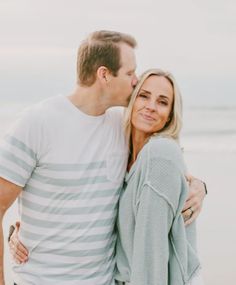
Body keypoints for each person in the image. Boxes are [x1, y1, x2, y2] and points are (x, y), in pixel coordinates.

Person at [0, 31, 206, 285]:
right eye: (130, 73)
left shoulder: (121, 127)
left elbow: (163, 171)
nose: (136, 81)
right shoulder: (37, 123)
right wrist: (13, 233)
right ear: (104, 74)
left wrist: (200, 187)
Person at [115, 69, 205, 285]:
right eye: (144, 96)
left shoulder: (160, 154)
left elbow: (151, 256)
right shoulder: (122, 157)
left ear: (170, 116)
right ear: (132, 100)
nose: (151, 107)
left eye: (163, 102)